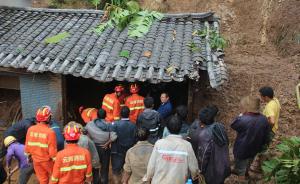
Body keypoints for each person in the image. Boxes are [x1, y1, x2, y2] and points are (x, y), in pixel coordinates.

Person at [144, 115, 199, 184]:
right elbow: (194, 169)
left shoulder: (159, 144)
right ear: (181, 127)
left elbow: (151, 166)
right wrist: (194, 177)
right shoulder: (187, 146)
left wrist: (148, 179)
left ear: (167, 128)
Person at [231, 96, 270, 181]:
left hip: (242, 149)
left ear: (247, 107)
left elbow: (233, 125)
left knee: (240, 170)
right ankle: (246, 172)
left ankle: (241, 178)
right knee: (249, 162)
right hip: (254, 148)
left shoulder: (243, 119)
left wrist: (240, 116)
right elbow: (266, 135)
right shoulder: (263, 119)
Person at [191, 107, 230, 184]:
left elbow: (203, 157)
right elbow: (227, 143)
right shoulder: (220, 126)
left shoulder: (205, 134)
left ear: (201, 121)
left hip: (212, 171)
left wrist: (200, 171)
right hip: (224, 165)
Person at [25, 106, 57, 184]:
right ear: (48, 118)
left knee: (43, 180)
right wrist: (57, 161)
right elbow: (52, 152)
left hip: (36, 161)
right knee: (54, 177)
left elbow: (27, 146)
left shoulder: (30, 129)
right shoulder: (50, 132)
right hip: (47, 161)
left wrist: (28, 156)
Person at [85, 108, 117, 184]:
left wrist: (91, 141)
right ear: (105, 116)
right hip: (105, 148)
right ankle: (104, 181)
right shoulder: (109, 124)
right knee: (105, 167)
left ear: (97, 115)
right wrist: (107, 143)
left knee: (95, 167)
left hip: (93, 148)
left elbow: (84, 132)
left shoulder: (90, 124)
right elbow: (114, 137)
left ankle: (95, 181)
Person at [109, 106, 137, 183]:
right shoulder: (133, 125)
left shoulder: (114, 124)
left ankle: (117, 182)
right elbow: (135, 139)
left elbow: (111, 137)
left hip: (117, 151)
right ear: (129, 114)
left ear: (120, 114)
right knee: (127, 170)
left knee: (115, 170)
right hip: (129, 152)